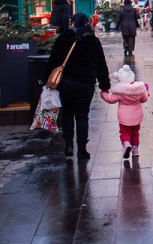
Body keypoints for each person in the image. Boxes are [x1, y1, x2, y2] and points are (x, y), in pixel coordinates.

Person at [45, 13, 110, 159]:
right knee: (82, 116)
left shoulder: (62, 39)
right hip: (85, 83)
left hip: (66, 83)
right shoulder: (93, 41)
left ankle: (68, 145)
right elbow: (101, 64)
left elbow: (53, 61)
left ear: (72, 23)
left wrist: (45, 81)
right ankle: (82, 148)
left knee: (67, 113)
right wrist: (104, 85)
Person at [101, 65, 149, 160]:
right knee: (135, 132)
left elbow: (110, 99)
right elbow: (144, 99)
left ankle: (126, 144)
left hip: (124, 117)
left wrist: (104, 93)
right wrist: (146, 91)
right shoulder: (139, 90)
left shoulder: (119, 92)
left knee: (124, 132)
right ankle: (135, 150)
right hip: (136, 116)